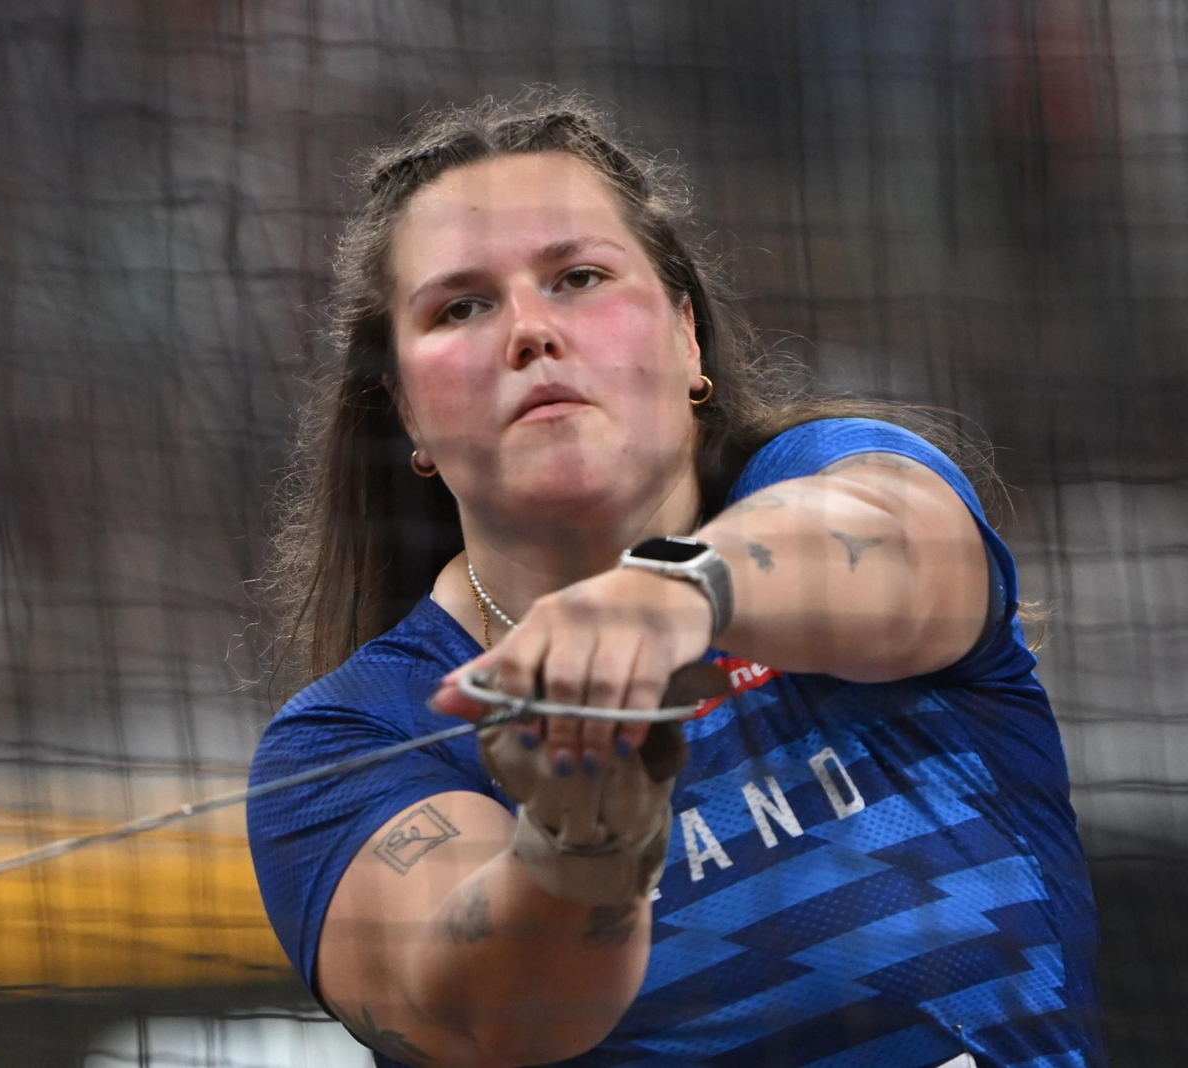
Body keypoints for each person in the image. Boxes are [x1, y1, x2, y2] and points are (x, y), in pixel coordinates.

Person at [246, 91, 1104, 1068]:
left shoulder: (840, 474)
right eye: (461, 306)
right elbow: (482, 1014)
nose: (528, 331)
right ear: (404, 412)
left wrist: (673, 593)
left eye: (577, 276)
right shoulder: (350, 742)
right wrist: (582, 847)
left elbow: (888, 551)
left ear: (686, 337)